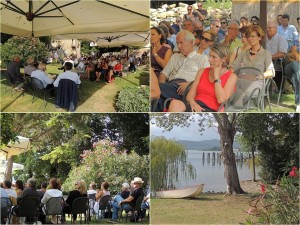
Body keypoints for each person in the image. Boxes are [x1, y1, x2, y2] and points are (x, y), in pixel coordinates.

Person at [168, 43, 237, 112]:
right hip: (195, 105)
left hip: (211, 110)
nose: (209, 60)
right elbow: (190, 96)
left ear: (224, 59)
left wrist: (217, 78)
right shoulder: (202, 71)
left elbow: (221, 100)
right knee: (175, 103)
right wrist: (193, 103)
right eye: (209, 56)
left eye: (214, 57)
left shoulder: (231, 77)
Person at [155, 30, 209, 112]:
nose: (179, 46)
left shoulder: (202, 58)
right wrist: (162, 84)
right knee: (157, 100)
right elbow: (163, 74)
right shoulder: (175, 57)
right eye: (177, 43)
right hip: (169, 86)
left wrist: (191, 84)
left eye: (181, 43)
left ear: (191, 42)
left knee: (154, 90)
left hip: (185, 89)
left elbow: (205, 80)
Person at [230, 25, 275, 107]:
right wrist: (230, 75)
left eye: (253, 36)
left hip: (256, 85)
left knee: (234, 83)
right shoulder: (243, 54)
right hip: (240, 83)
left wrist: (256, 77)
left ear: (260, 37)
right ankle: (237, 106)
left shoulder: (266, 54)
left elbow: (271, 72)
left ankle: (228, 105)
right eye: (248, 37)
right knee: (234, 85)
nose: (250, 39)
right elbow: (232, 67)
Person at [265, 21, 289, 89]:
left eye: (270, 28)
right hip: (264, 61)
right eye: (267, 28)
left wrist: (269, 57)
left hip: (276, 63)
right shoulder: (263, 38)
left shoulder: (281, 39)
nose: (268, 29)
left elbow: (282, 53)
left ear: (276, 29)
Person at [284, 45, 300, 112]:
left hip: (296, 72)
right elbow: (288, 56)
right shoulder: (295, 46)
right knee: (295, 63)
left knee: (295, 76)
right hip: (288, 68)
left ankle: (298, 103)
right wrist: (294, 53)